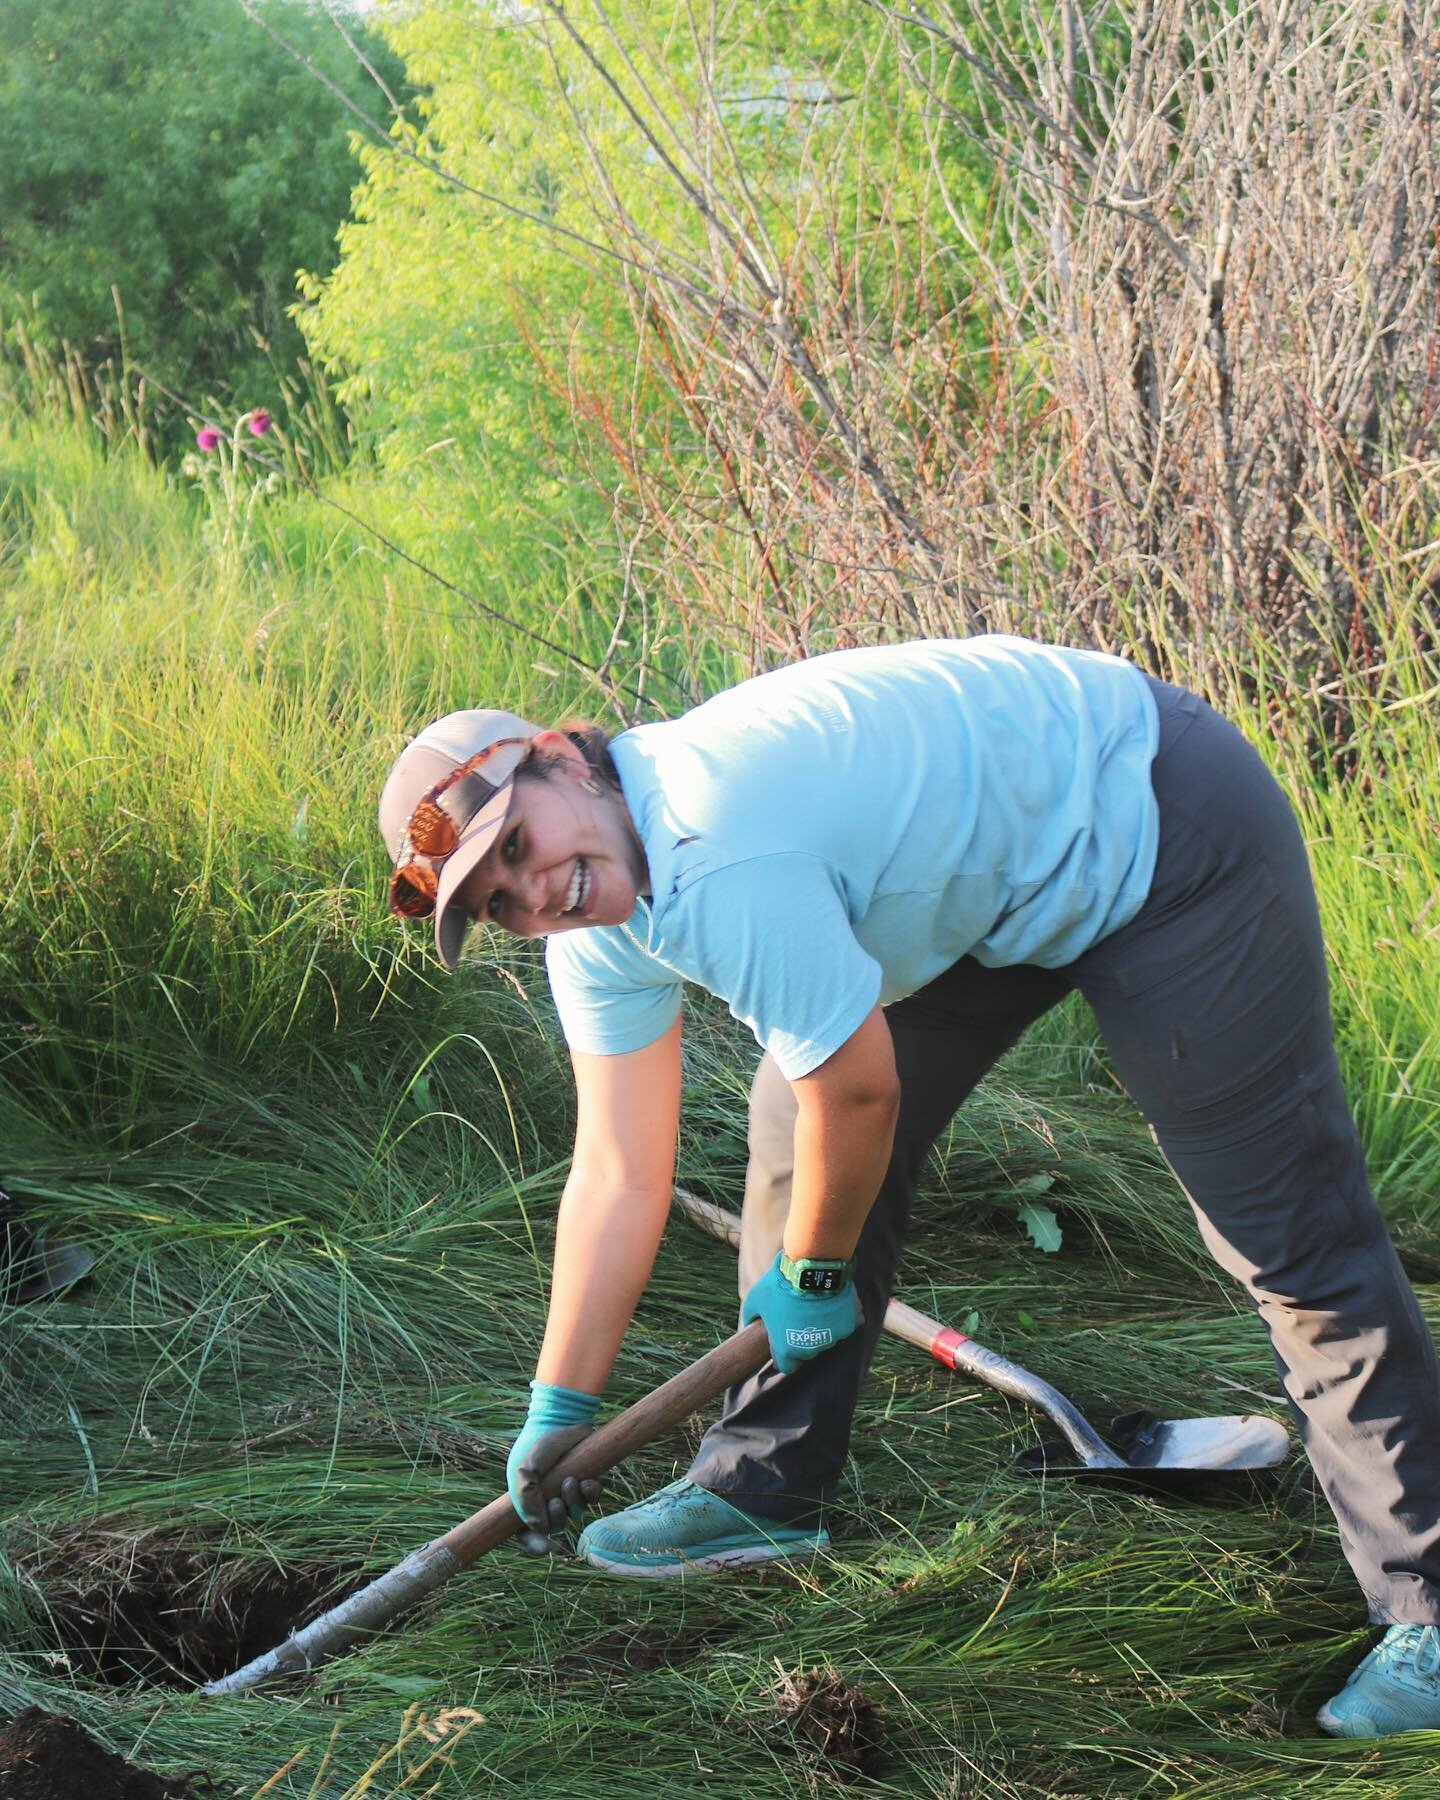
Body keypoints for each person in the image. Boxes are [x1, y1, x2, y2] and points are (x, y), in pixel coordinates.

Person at [379, 636, 1440, 1738]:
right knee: (795, 1127)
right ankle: (762, 1489)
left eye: (519, 845)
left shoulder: (713, 842)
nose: (536, 894)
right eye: (500, 901)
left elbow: (862, 1096)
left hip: (1156, 823)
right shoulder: (594, 927)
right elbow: (616, 1169)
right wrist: (562, 1408)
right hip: (991, 871)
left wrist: (818, 1273)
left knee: (1282, 1231)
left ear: (562, 759)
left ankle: (1429, 1607)